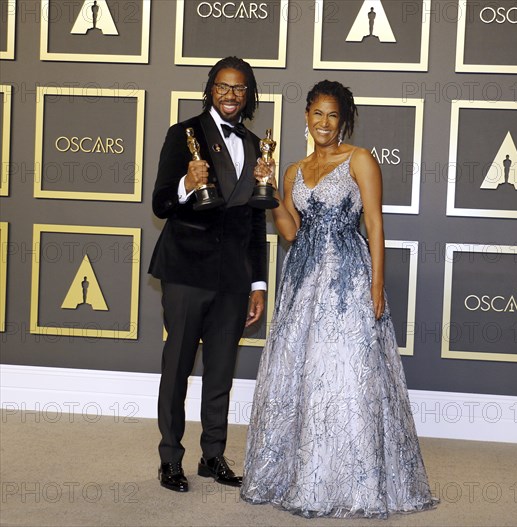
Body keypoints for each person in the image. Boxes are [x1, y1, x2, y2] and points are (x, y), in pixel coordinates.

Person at [241, 80, 438, 517]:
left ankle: (352, 479)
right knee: (301, 368)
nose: (324, 123)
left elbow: (374, 224)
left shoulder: (360, 160)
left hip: (347, 279)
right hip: (303, 280)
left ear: (343, 119)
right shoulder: (293, 169)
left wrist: (376, 285)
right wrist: (270, 189)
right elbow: (290, 231)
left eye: (333, 115)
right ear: (306, 116)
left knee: (346, 370)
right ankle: (304, 473)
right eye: (317, 114)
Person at [149, 57, 267, 492]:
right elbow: (160, 203)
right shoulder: (182, 135)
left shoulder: (256, 145)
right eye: (223, 87)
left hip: (234, 278)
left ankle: (212, 456)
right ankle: (170, 459)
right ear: (210, 90)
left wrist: (257, 285)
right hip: (186, 269)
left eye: (239, 88)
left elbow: (256, 223)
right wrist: (185, 182)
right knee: (177, 366)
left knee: (221, 371)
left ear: (249, 94)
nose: (231, 95)